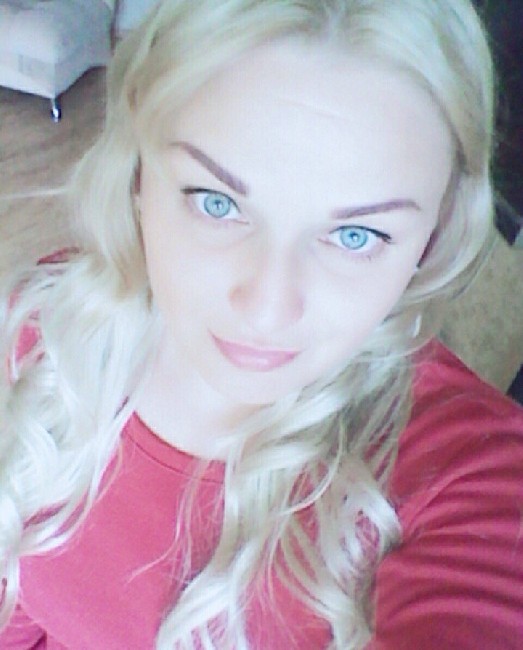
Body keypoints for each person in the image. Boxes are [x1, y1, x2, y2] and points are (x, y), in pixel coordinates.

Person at [0, 0, 522, 648]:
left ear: (433, 237)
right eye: (216, 203)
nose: (267, 309)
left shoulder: (474, 478)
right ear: (137, 175)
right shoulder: (57, 323)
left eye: (355, 236)